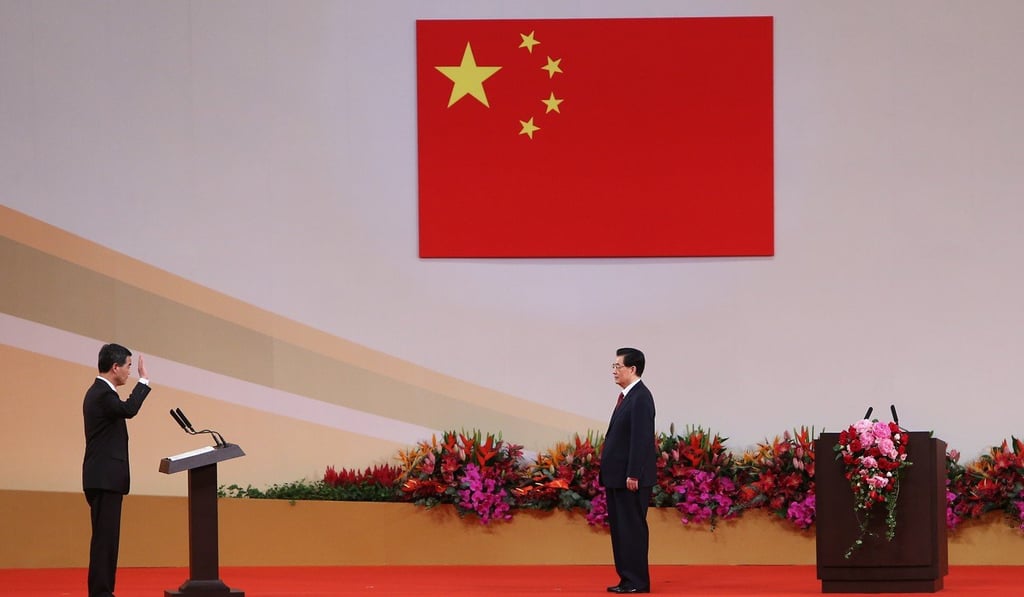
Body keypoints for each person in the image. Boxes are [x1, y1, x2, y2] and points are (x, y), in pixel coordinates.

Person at [82, 343, 152, 597]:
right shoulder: (102, 394)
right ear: (115, 367)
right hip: (104, 479)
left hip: (102, 478)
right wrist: (144, 381)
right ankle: (101, 593)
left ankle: (102, 591)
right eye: (129, 366)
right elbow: (129, 410)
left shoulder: (100, 393)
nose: (130, 372)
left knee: (106, 541)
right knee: (105, 542)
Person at [600, 347, 657, 594]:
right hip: (617, 478)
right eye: (613, 366)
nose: (614, 371)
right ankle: (627, 579)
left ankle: (637, 581)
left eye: (617, 366)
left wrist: (633, 473)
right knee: (621, 530)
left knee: (631, 529)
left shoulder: (641, 397)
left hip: (630, 479)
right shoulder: (628, 396)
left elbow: (641, 439)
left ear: (632, 369)